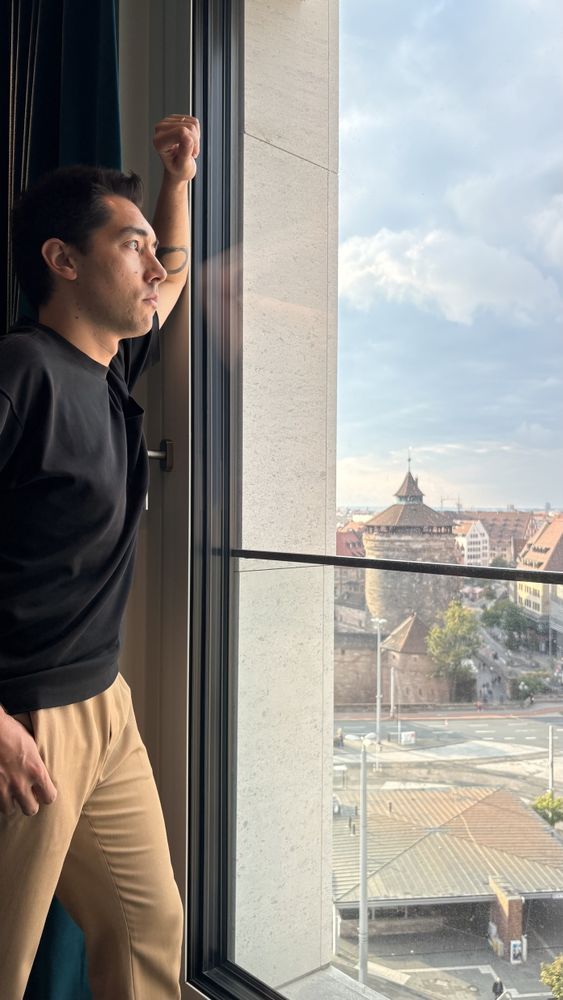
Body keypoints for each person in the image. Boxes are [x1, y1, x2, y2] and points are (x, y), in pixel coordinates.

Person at [0, 114, 200, 999]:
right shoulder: (22, 372)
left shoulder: (109, 370)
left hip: (104, 708)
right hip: (23, 719)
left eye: (155, 250)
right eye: (133, 248)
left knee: (148, 925)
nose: (156, 267)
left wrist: (175, 188)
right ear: (63, 260)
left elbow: (174, 280)